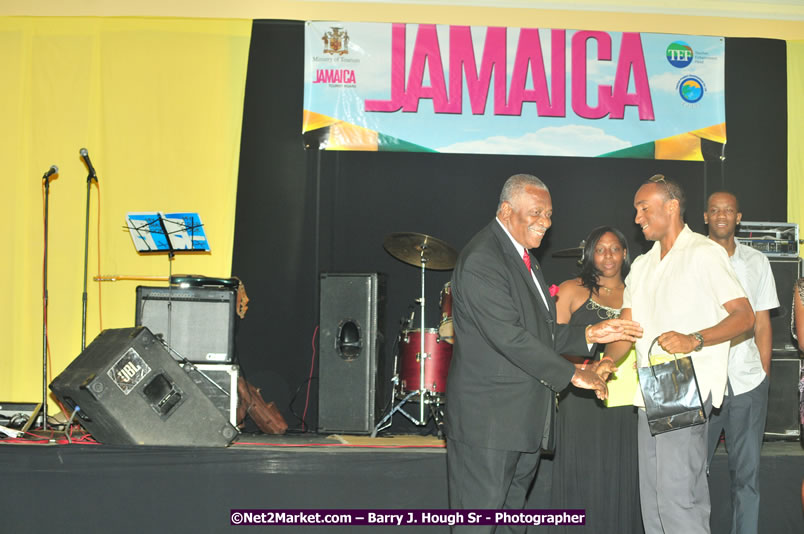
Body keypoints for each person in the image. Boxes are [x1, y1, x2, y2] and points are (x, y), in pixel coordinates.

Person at [445, 174, 643, 534]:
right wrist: (572, 374)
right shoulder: (482, 259)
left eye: (549, 214)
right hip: (489, 425)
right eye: (536, 212)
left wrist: (589, 332)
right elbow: (509, 337)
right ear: (506, 211)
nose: (546, 222)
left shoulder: (524, 258)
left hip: (521, 422)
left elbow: (541, 331)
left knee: (509, 522)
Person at [604, 175, 755, 534]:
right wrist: (607, 361)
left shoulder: (704, 253)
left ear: (671, 206)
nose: (637, 218)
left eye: (644, 208)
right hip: (651, 386)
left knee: (677, 494)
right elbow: (628, 327)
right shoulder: (641, 265)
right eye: (636, 210)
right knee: (653, 497)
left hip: (683, 381)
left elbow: (744, 316)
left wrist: (695, 339)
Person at [548, 226, 642, 533]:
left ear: (625, 253)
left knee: (621, 475)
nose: (608, 256)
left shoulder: (638, 290)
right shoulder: (572, 290)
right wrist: (580, 371)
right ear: (589, 254)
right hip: (580, 398)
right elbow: (550, 342)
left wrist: (608, 362)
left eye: (615, 249)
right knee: (582, 472)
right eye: (600, 250)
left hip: (628, 399)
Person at [704, 191, 778, 534]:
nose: (722, 215)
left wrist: (762, 375)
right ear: (705, 217)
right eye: (715, 210)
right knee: (690, 476)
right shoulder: (692, 259)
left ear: (738, 217)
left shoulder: (756, 262)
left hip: (748, 383)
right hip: (702, 383)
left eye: (728, 210)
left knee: (746, 478)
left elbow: (762, 322)